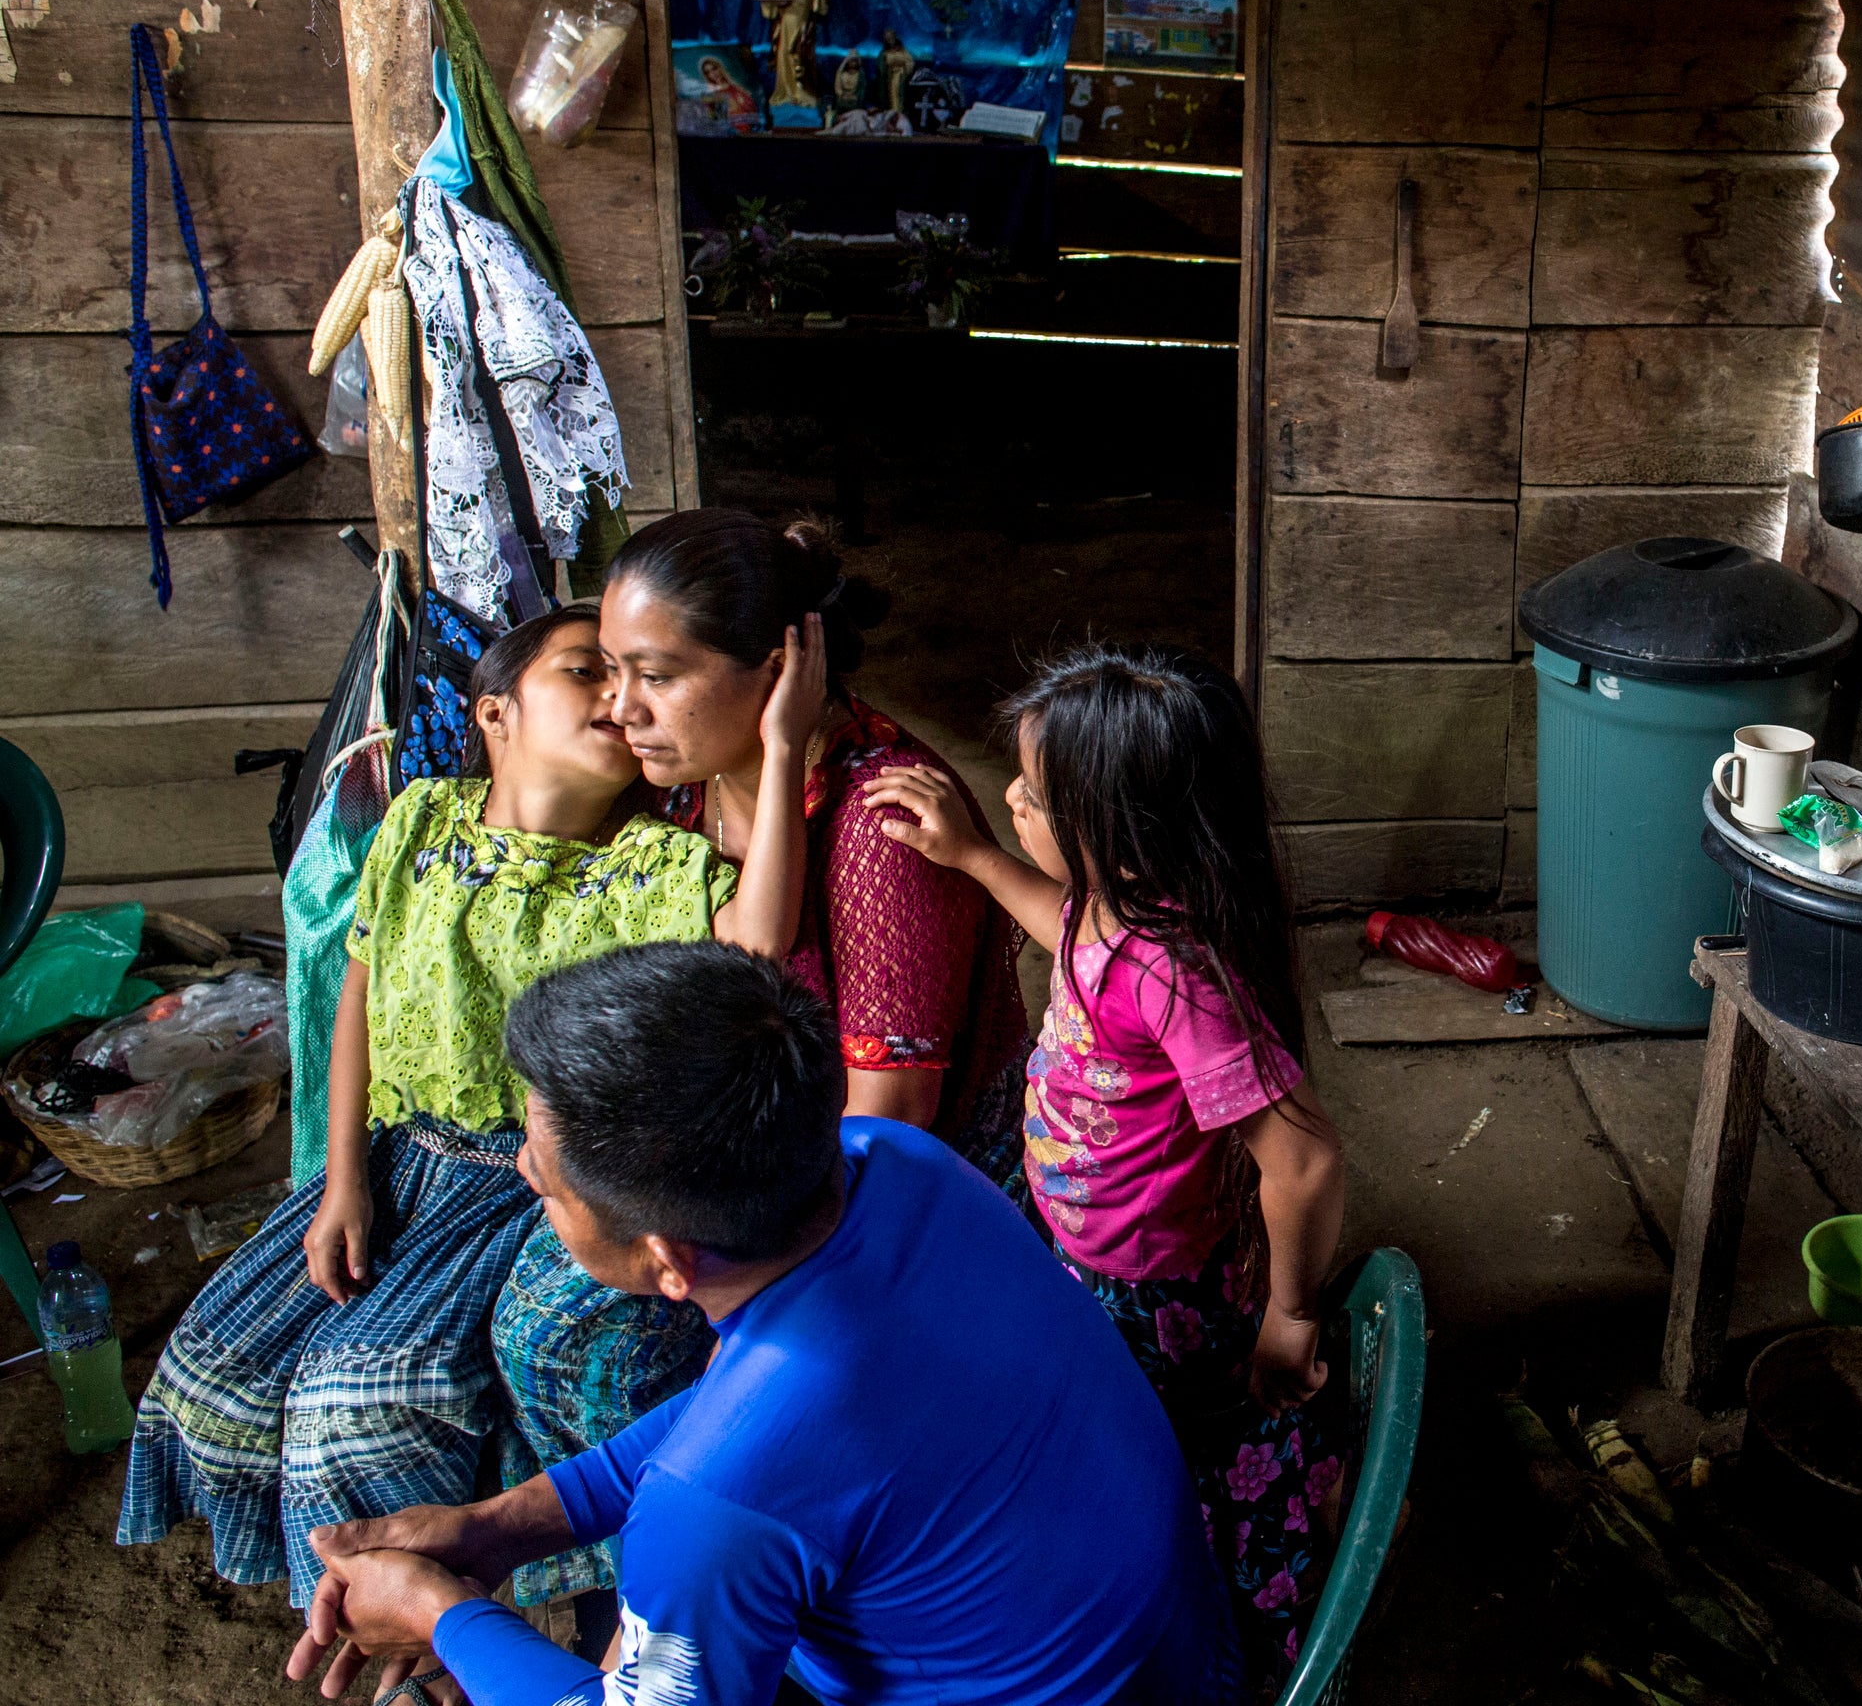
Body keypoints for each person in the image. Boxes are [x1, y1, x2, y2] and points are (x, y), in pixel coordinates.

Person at [286, 941, 1239, 1706]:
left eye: (542, 1181)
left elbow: (744, 1461)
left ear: (667, 1260)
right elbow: (739, 1420)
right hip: (1179, 1653)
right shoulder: (896, 1163)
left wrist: (440, 1612)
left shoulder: (715, 1504)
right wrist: (501, 1529)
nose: (531, 1184)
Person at [119, 606, 822, 1613]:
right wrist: (342, 1177)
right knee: (214, 1376)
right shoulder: (419, 821)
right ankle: (377, 1605)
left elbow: (753, 950)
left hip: (529, 1186)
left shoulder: (650, 867)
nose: (619, 701)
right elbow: (357, 988)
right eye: (588, 670)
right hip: (399, 1161)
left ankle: (430, 1626)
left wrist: (779, 738)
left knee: (352, 1405)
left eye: (634, 679)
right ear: (494, 710)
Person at [867, 644, 1349, 1687]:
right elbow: (1066, 928)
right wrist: (983, 855)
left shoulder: (1180, 974)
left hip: (1155, 1292)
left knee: (1159, 1460)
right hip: (1088, 1251)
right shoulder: (1109, 912)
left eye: (1035, 797)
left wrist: (1291, 1314)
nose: (1010, 798)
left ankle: (1196, 1623)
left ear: (1127, 838)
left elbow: (1302, 1158)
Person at [598, 509, 1023, 1151]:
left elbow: (887, 1125)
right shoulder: (679, 780)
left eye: (656, 676)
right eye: (611, 668)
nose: (622, 708)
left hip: (865, 1186)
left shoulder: (885, 822)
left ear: (779, 671)